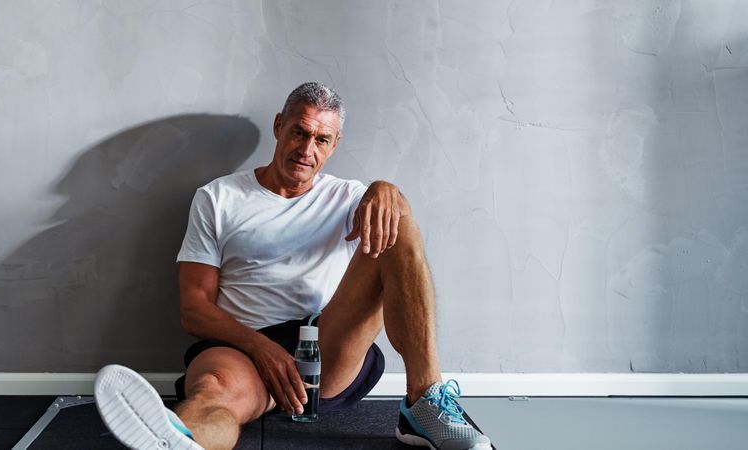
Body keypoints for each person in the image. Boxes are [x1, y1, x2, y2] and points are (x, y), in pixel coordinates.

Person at [94, 82, 493, 450]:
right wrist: (262, 348)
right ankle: (183, 440)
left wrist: (385, 189)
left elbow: (392, 220)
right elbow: (194, 310)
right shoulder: (218, 198)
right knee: (213, 395)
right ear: (279, 126)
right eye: (299, 132)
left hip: (323, 345)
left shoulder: (349, 197)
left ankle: (422, 404)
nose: (307, 149)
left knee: (397, 217)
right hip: (241, 349)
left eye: (321, 139)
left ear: (334, 144)